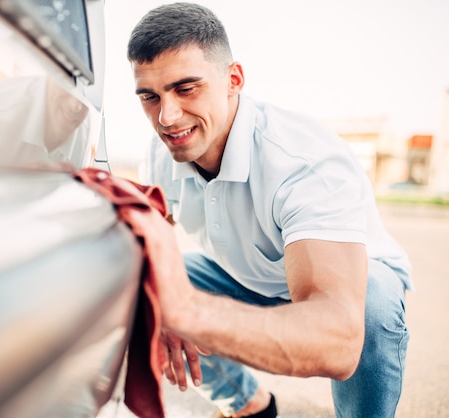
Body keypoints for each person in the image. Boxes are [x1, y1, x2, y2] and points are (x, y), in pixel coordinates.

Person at [127, 3, 413, 418]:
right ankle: (249, 406)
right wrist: (156, 294)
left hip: (352, 283)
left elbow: (338, 342)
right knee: (139, 283)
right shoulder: (159, 154)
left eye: (186, 89)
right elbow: (157, 235)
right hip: (246, 278)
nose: (167, 117)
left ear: (233, 80)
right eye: (150, 97)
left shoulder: (303, 159)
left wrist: (186, 311)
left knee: (368, 308)